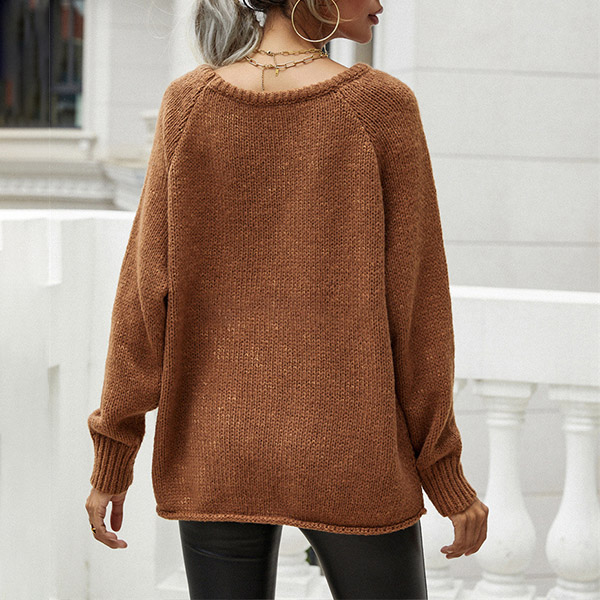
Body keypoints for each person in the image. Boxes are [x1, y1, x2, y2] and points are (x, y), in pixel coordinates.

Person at [85, 0, 489, 598]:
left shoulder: (188, 104)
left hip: (216, 451)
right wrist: (444, 473)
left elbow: (143, 300)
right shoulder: (380, 107)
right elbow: (418, 311)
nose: (380, 3)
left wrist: (113, 455)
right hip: (350, 453)